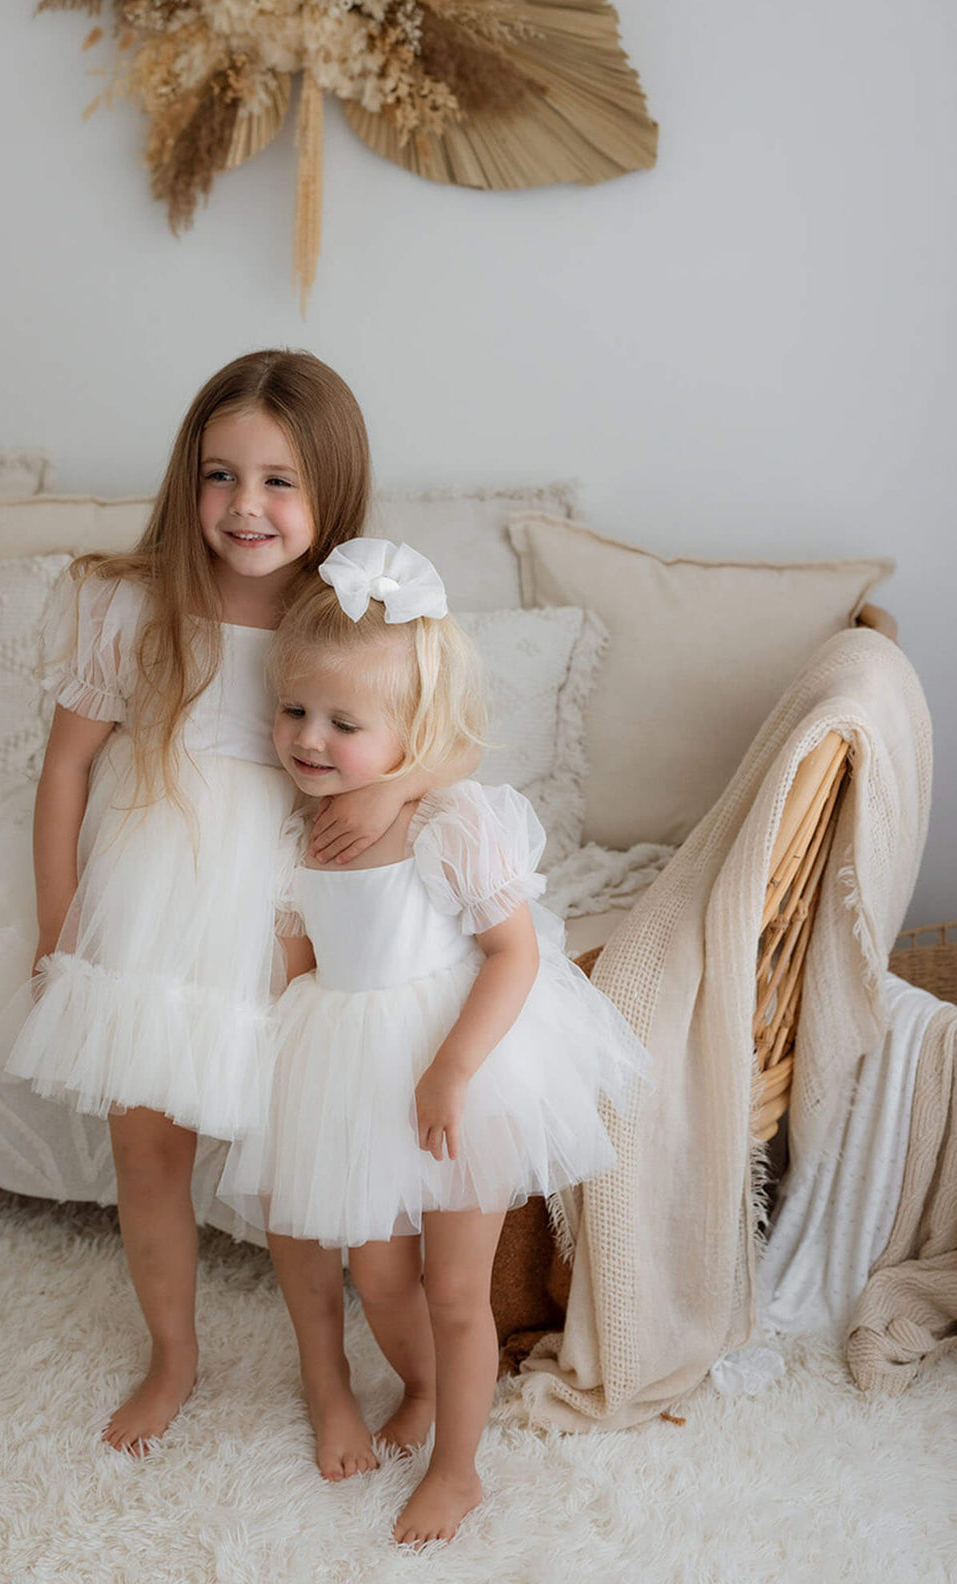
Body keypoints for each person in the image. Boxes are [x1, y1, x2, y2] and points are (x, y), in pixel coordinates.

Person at [0, 352, 422, 1454]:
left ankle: (327, 1377)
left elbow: (443, 740)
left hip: (289, 921)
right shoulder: (128, 603)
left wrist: (408, 789)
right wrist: (59, 932)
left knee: (297, 1169)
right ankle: (174, 1355)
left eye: (280, 480)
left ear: (334, 487)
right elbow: (63, 772)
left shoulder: (349, 618)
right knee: (147, 1158)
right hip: (145, 905)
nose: (247, 507)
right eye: (221, 474)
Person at [219, 538, 650, 1544]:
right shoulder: (297, 830)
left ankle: (459, 1467)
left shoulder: (451, 822)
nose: (309, 739)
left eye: (343, 722)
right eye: (293, 711)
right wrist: (276, 1072)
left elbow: (513, 955)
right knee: (378, 1272)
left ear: (412, 733)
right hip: (348, 1060)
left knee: (457, 1285)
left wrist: (453, 1068)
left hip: (468, 1061)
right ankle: (420, 1386)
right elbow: (296, 955)